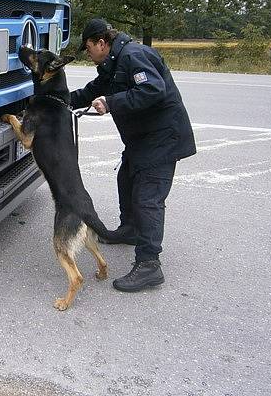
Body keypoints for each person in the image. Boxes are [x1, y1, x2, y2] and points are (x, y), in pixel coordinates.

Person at [71, 18, 196, 292]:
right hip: (143, 139)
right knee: (126, 179)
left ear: (102, 43)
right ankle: (130, 229)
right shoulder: (113, 62)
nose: (89, 54)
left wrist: (112, 102)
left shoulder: (134, 55)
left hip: (162, 138)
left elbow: (152, 89)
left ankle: (150, 264)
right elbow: (94, 89)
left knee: (147, 199)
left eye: (89, 48)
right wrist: (62, 102)